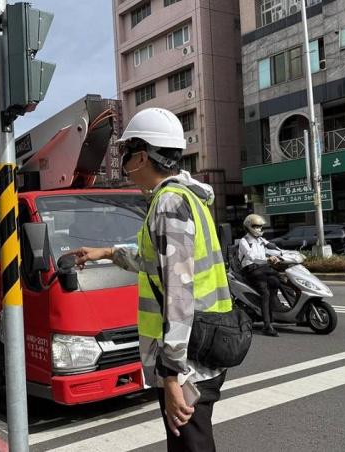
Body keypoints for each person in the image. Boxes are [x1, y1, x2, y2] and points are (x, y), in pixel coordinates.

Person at [68, 108, 231, 451]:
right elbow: (155, 261)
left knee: (191, 446)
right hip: (205, 341)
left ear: (142, 157)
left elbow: (179, 292)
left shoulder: (169, 204)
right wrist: (107, 253)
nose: (125, 163)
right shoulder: (188, 198)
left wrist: (171, 374)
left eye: (127, 154)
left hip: (188, 357)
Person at [237, 214, 281, 337]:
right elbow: (252, 257)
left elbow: (273, 248)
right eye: (256, 226)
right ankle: (267, 325)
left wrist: (283, 254)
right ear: (249, 226)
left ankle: (289, 312)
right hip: (251, 269)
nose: (259, 229)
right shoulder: (244, 241)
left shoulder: (261, 240)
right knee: (264, 292)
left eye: (260, 226)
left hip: (263, 267)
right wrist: (268, 259)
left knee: (279, 280)